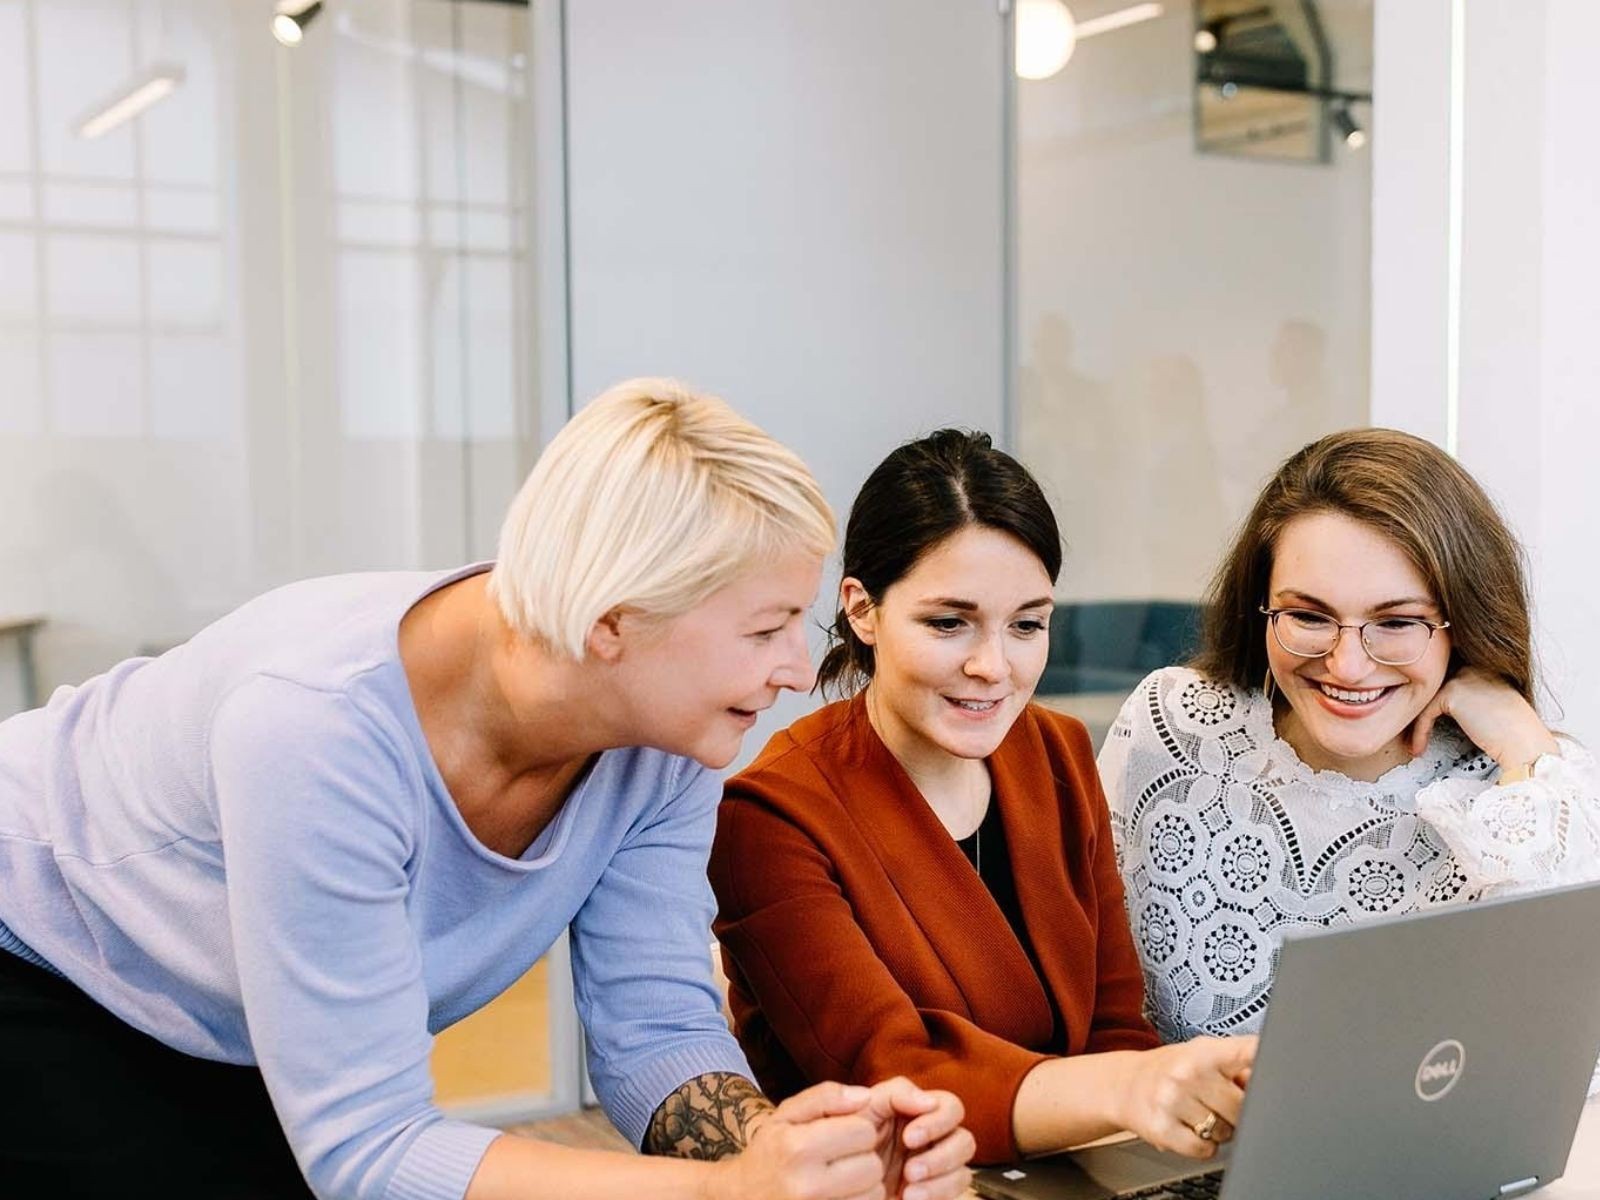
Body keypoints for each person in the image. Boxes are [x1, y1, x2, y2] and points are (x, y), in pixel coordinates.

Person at [0, 380, 974, 1200]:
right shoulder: (318, 725)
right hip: (44, 958)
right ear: (611, 622)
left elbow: (655, 1030)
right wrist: (726, 1189)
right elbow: (367, 1149)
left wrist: (794, 1156)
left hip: (247, 1022)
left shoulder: (666, 732)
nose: (797, 673)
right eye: (764, 631)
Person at [710, 430, 1258, 1169]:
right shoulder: (774, 814)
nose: (992, 666)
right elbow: (896, 1077)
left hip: (1073, 1173)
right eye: (948, 622)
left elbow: (1113, 1024)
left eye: (1027, 625)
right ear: (862, 610)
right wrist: (1126, 1088)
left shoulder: (1056, 752)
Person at [1100, 428, 1600, 1046]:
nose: (1348, 665)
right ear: (1260, 608)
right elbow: (1087, 993)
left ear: (1462, 624)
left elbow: (1557, 1052)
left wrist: (1529, 758)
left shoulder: (1530, 790)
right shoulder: (1172, 722)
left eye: (1396, 622)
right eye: (1309, 616)